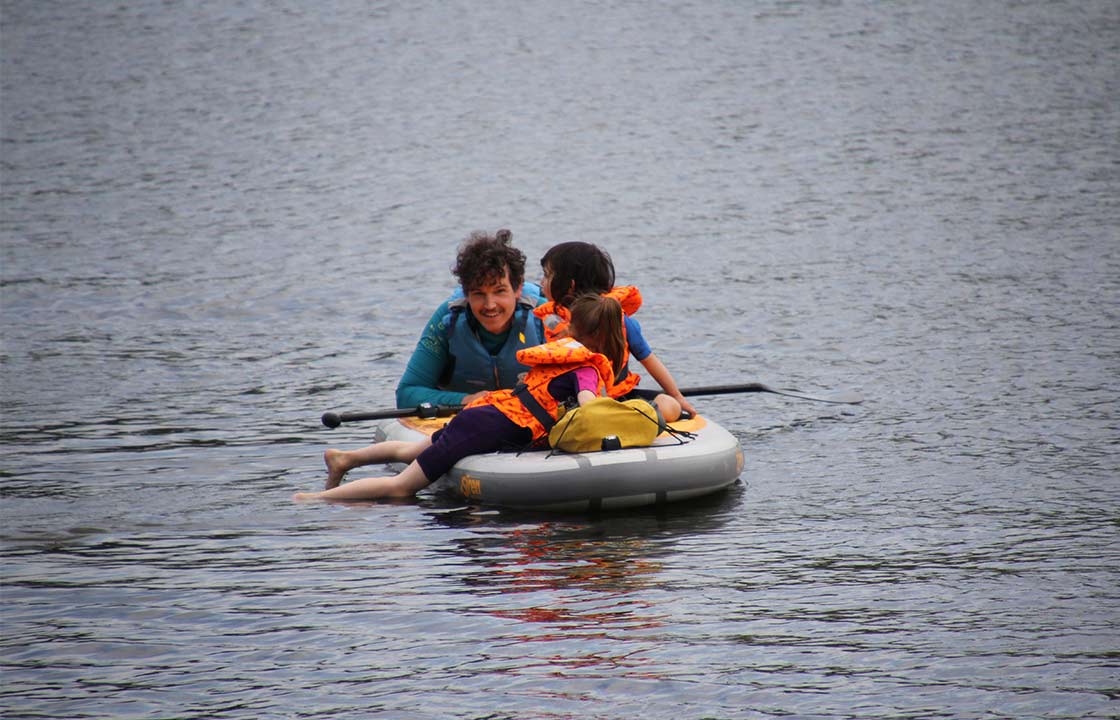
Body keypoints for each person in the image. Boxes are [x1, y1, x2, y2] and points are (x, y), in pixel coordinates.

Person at [295, 294, 627, 502]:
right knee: (401, 488)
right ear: (605, 336)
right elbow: (589, 407)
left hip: (486, 414)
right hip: (487, 427)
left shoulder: (562, 354)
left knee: (411, 450)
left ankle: (345, 459)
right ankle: (314, 499)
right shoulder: (587, 367)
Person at [534, 241, 696, 421]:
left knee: (668, 404)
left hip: (616, 399)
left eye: (547, 275)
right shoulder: (549, 321)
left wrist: (677, 397)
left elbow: (648, 359)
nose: (542, 282)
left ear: (570, 285)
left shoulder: (617, 319)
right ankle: (621, 421)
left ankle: (618, 420)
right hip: (574, 401)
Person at [395, 229, 545, 409]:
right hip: (467, 417)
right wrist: (466, 400)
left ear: (518, 288)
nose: (490, 305)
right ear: (466, 293)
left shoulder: (546, 317)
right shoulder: (447, 320)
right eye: (478, 293)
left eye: (499, 291)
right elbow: (407, 393)